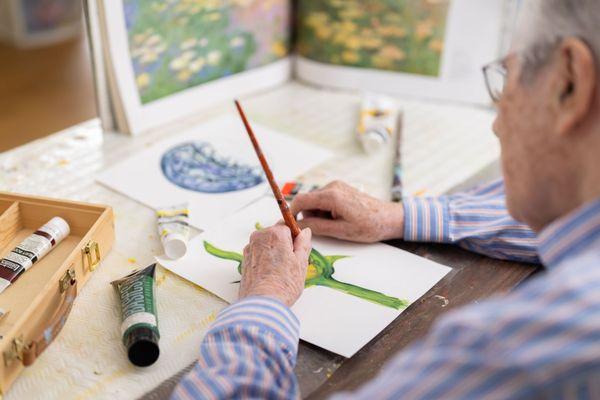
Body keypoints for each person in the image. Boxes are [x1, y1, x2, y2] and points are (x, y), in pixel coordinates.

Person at [172, 0, 600, 398]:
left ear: (569, 82)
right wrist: (396, 217)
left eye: (505, 79)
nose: (496, 126)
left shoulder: (513, 351)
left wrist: (265, 297)